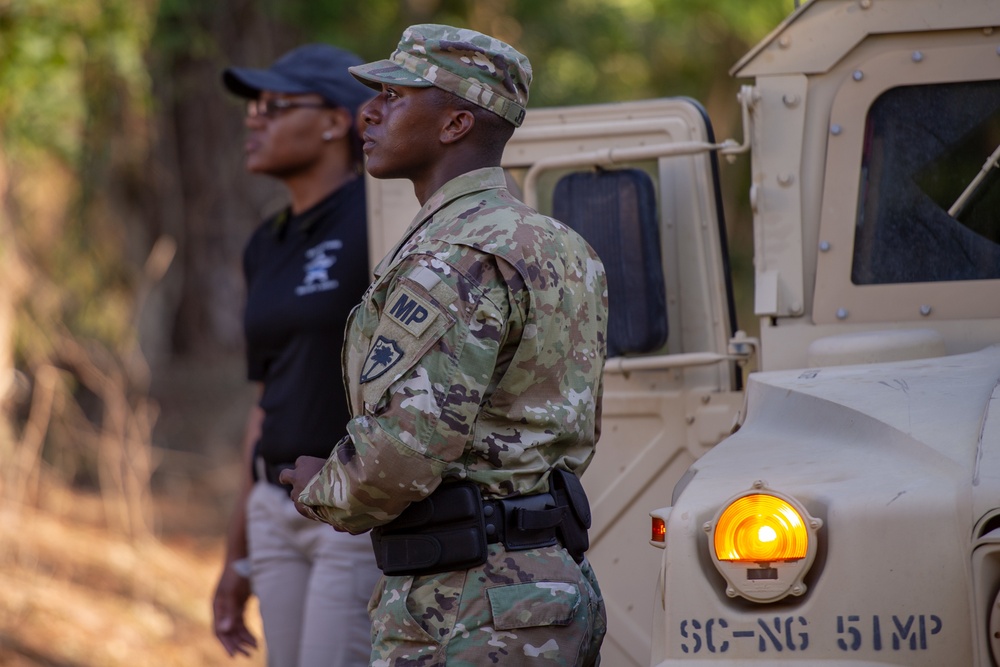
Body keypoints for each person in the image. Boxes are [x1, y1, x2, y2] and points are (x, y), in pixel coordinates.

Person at [280, 25, 609, 665]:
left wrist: (319, 486)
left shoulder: (451, 258)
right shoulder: (563, 246)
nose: (368, 113)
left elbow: (400, 457)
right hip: (548, 587)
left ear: (456, 123)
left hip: (467, 606)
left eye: (395, 97)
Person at [211, 43, 382, 667]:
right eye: (254, 106)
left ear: (337, 121)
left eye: (275, 106)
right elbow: (266, 402)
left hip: (346, 506)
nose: (254, 119)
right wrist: (237, 556)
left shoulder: (380, 219)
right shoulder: (265, 244)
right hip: (271, 506)